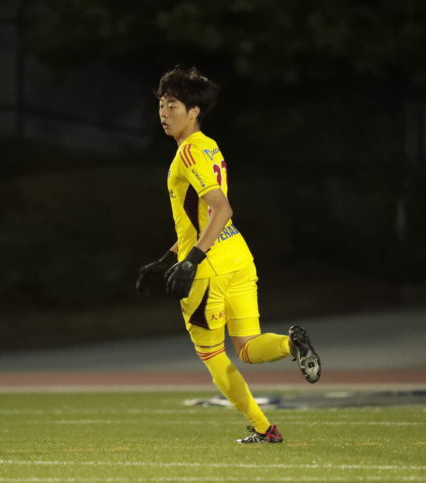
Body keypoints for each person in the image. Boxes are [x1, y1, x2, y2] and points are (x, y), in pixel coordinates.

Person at [136, 66, 321, 444]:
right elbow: (203, 219)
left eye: (173, 106)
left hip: (210, 268)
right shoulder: (209, 145)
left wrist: (191, 261)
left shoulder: (189, 152)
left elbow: (221, 209)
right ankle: (291, 344)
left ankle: (265, 429)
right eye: (161, 105)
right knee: (248, 348)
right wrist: (167, 258)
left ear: (194, 112)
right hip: (237, 256)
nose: (164, 113)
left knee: (212, 355)